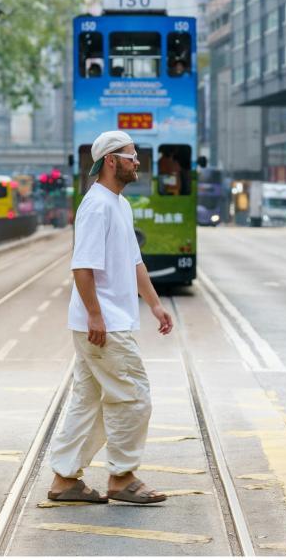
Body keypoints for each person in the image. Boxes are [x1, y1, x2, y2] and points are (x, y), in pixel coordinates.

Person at [48, 130, 173, 505]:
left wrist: (153, 304)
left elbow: (134, 261)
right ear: (111, 161)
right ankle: (122, 478)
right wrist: (96, 316)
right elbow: (82, 267)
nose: (138, 162)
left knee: (88, 402)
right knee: (134, 396)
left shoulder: (119, 204)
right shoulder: (96, 205)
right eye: (131, 155)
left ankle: (64, 480)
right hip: (104, 326)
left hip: (109, 321)